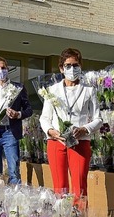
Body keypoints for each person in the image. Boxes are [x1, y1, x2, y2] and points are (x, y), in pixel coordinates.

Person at [39, 48, 102, 203]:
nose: (72, 69)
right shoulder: (52, 90)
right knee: (59, 187)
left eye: (75, 65)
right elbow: (44, 118)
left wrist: (85, 129)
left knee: (79, 187)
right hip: (56, 142)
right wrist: (51, 131)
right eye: (68, 65)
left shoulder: (89, 91)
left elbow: (98, 119)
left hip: (80, 142)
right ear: (61, 68)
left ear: (80, 66)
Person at [0, 57, 33, 184]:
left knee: (14, 171)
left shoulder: (18, 88)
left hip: (10, 133)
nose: (1, 70)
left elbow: (29, 109)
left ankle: (15, 200)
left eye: (3, 68)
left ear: (7, 69)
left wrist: (18, 114)